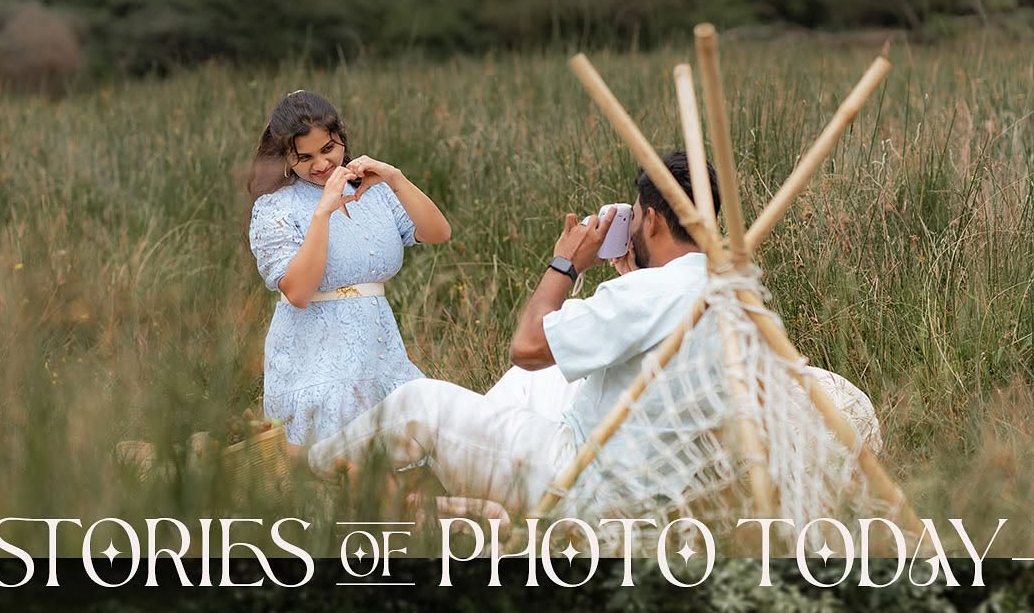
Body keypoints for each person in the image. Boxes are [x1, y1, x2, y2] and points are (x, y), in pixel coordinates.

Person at [307, 151, 881, 510]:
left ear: (650, 218)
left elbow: (529, 346)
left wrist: (566, 265)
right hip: (665, 473)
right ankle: (445, 490)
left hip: (585, 480)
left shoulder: (646, 293)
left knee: (420, 401)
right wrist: (632, 282)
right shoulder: (730, 285)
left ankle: (311, 468)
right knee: (531, 386)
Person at [247, 90, 451, 449]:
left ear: (341, 137)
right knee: (338, 458)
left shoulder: (373, 191)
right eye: (304, 157)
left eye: (328, 149)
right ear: (286, 157)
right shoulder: (275, 207)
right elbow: (297, 292)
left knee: (419, 442)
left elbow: (438, 232)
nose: (321, 164)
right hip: (314, 358)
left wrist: (396, 179)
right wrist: (322, 212)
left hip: (380, 349)